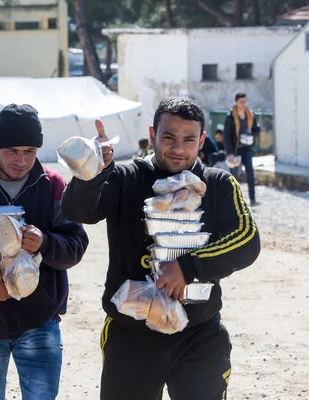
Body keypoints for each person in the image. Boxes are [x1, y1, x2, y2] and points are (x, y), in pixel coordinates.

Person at [61, 97, 261, 400]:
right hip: (131, 335)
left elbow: (248, 240)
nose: (178, 148)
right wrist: (93, 170)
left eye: (188, 139)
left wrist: (189, 267)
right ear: (153, 134)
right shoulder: (126, 178)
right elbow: (78, 212)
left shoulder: (218, 184)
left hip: (200, 333)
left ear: (202, 140)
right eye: (169, 137)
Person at [0, 104, 89, 400]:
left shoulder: (54, 185)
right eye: (12, 150)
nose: (21, 160)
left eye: (29, 151)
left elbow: (76, 246)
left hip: (40, 322)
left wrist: (45, 242)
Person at [223, 93, 261, 206]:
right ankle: (233, 201)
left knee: (250, 173)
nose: (243, 104)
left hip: (246, 148)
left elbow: (257, 129)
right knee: (233, 176)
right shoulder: (230, 116)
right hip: (235, 149)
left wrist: (251, 135)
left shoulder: (250, 115)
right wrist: (229, 153)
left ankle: (252, 199)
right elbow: (227, 136)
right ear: (236, 102)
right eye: (241, 102)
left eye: (245, 101)